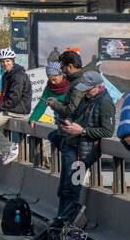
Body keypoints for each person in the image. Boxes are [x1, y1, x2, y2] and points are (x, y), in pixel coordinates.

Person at [47, 70, 116, 222]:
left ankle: (66, 224)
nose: (85, 93)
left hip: (83, 153)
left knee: (72, 190)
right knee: (64, 189)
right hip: (71, 146)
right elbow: (75, 115)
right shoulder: (87, 98)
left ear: (98, 87)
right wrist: (67, 123)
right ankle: (60, 221)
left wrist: (82, 131)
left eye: (88, 89)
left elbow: (108, 131)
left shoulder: (105, 103)